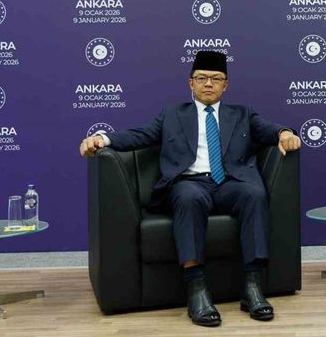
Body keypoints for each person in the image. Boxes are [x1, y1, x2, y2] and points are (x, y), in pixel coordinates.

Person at [79, 50, 301, 327]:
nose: (208, 83)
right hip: (189, 182)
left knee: (254, 194)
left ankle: (253, 288)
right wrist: (102, 139)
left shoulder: (242, 114)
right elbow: (140, 135)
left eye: (216, 78)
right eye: (201, 78)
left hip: (229, 183)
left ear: (225, 85)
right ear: (191, 83)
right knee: (189, 196)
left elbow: (269, 129)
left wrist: (285, 133)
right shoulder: (172, 114)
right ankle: (197, 289)